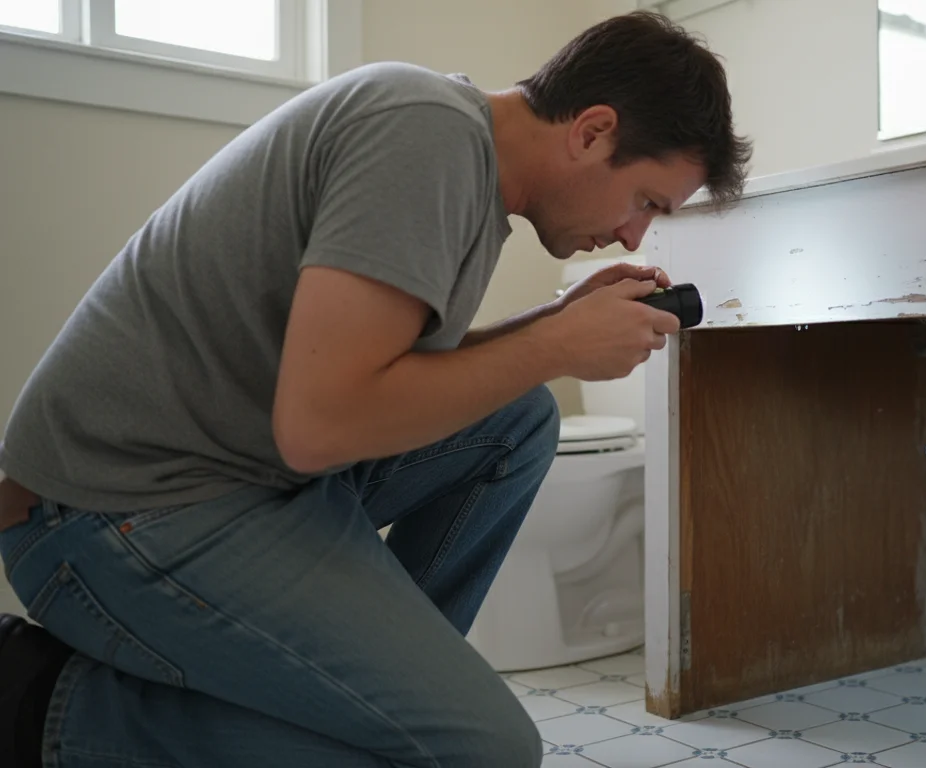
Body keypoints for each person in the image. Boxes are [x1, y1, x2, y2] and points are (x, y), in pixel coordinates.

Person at [0, 10, 751, 767]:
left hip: (231, 478)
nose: (634, 236)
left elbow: (380, 376)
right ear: (591, 131)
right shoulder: (423, 133)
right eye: (647, 201)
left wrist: (553, 324)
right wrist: (554, 343)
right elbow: (321, 424)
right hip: (111, 512)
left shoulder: (461, 158)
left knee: (516, 419)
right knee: (484, 749)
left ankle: (377, 704)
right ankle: (48, 707)